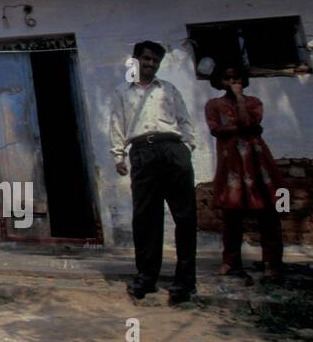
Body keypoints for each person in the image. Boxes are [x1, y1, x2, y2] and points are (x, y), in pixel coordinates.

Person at [108, 41, 200, 305]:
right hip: (141, 152)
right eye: (146, 59)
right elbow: (116, 123)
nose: (150, 64)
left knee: (184, 215)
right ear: (135, 60)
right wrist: (118, 155)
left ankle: (185, 281)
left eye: (155, 61)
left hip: (172, 150)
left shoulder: (168, 90)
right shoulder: (121, 93)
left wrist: (186, 149)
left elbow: (185, 120)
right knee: (146, 217)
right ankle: (147, 277)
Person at [205, 64, 285, 281]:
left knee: (269, 213)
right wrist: (244, 129)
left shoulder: (253, 102)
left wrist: (240, 101)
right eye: (227, 78)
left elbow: (250, 122)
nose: (232, 82)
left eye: (237, 78)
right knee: (231, 217)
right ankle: (230, 262)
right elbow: (216, 130)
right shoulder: (213, 105)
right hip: (231, 165)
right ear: (219, 81)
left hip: (257, 163)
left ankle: (272, 263)